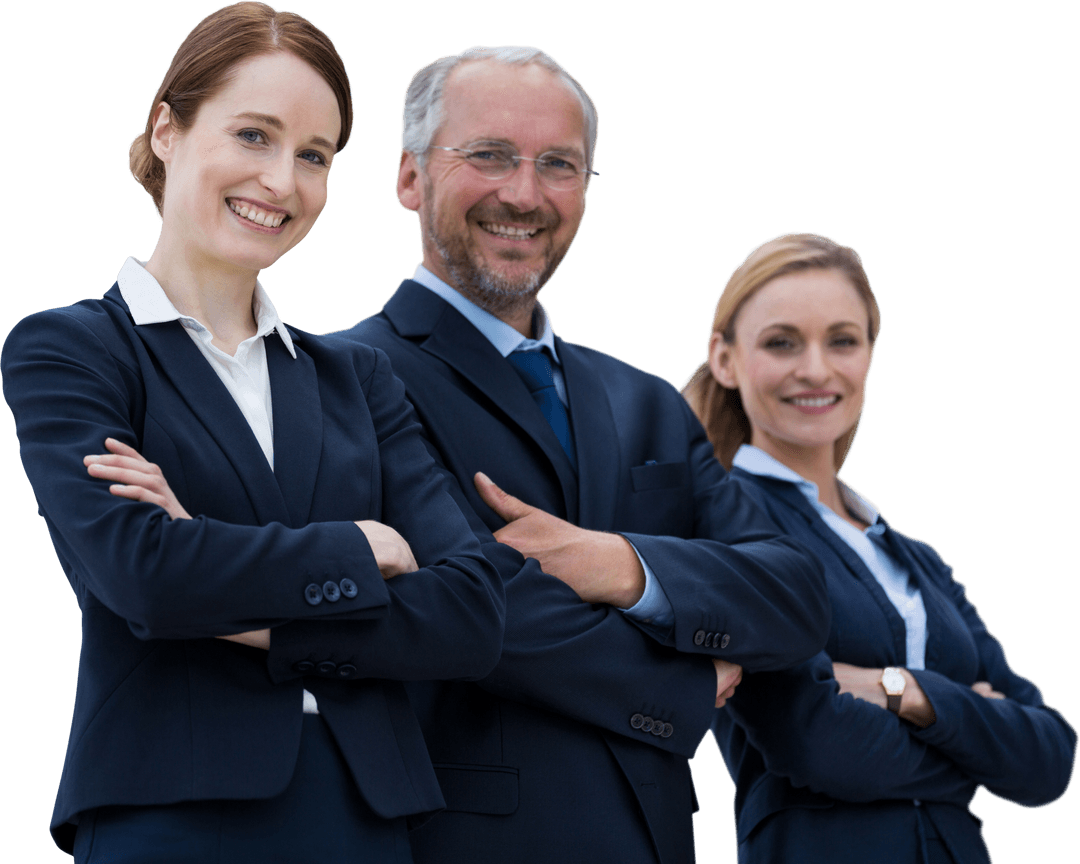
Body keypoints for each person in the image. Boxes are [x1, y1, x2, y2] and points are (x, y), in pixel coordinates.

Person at [298, 46, 831, 864]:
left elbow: (795, 595)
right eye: (489, 156)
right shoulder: (343, 380)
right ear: (409, 178)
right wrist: (685, 681)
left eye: (559, 165)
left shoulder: (644, 398)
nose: (525, 193)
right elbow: (477, 613)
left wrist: (620, 566)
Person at [0, 4, 503, 862]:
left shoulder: (358, 380)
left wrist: (204, 552)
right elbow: (144, 577)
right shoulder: (75, 350)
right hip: (172, 812)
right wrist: (359, 545)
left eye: (313, 156)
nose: (281, 180)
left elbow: (470, 613)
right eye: (253, 135)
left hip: (363, 814)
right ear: (167, 129)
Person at [682, 231, 1077, 863]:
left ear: (869, 353)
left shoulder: (917, 561)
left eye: (842, 340)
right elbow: (817, 744)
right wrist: (974, 742)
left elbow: (1050, 758)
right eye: (782, 342)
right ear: (724, 359)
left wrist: (903, 691)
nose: (816, 368)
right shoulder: (723, 526)